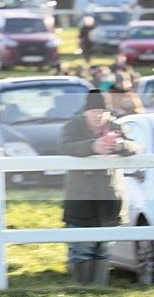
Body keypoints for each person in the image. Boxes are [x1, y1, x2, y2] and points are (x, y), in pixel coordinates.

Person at [60, 89, 140, 286]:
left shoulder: (116, 126)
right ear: (85, 112)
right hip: (80, 201)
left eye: (103, 112)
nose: (98, 116)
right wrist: (92, 146)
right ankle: (83, 289)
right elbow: (65, 147)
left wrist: (120, 146)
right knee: (82, 250)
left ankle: (98, 289)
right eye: (94, 111)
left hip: (109, 200)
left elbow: (136, 147)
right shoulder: (72, 127)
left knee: (104, 249)